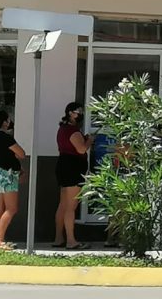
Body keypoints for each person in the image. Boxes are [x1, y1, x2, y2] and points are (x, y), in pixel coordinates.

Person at [53, 101, 92, 250]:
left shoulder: (62, 129)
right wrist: (89, 141)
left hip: (63, 166)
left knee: (63, 205)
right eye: (78, 112)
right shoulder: (72, 131)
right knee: (71, 206)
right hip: (73, 168)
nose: (80, 114)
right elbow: (81, 149)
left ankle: (58, 238)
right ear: (70, 113)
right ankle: (71, 241)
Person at [0, 110, 25, 250]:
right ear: (4, 122)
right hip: (8, 174)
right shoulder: (6, 137)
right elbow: (21, 153)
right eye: (8, 119)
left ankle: (0, 239)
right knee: (11, 208)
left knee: (0, 208)